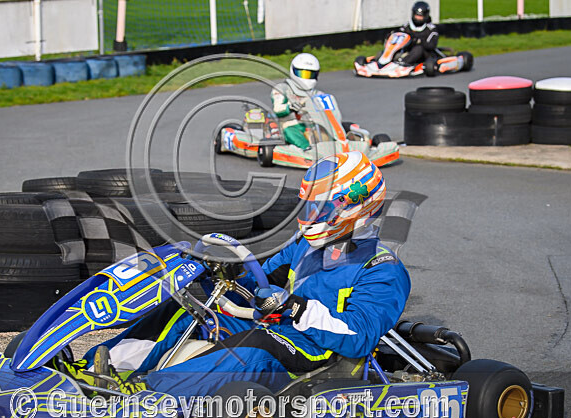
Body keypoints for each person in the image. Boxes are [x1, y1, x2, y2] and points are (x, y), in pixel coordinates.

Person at [63, 151, 411, 399]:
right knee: (188, 312)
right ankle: (94, 368)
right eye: (310, 205)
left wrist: (296, 309)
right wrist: (225, 274)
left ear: (355, 205)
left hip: (318, 352)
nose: (312, 214)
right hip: (275, 327)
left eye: (323, 207)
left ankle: (144, 393)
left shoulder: (382, 268)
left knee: (255, 348)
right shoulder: (305, 247)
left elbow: (359, 335)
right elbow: (259, 281)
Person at [270, 53, 321, 151]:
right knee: (289, 131)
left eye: (310, 74)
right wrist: (290, 107)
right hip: (290, 124)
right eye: (303, 74)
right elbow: (277, 109)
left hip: (313, 124)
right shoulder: (282, 89)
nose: (306, 78)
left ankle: (340, 146)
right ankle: (307, 149)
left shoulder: (317, 93)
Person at [395, 1, 439, 66]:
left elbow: (431, 46)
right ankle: (383, 61)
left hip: (425, 55)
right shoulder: (406, 26)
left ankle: (403, 64)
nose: (418, 18)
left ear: (425, 16)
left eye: (420, 16)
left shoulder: (431, 29)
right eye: (416, 15)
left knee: (418, 48)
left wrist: (418, 41)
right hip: (407, 51)